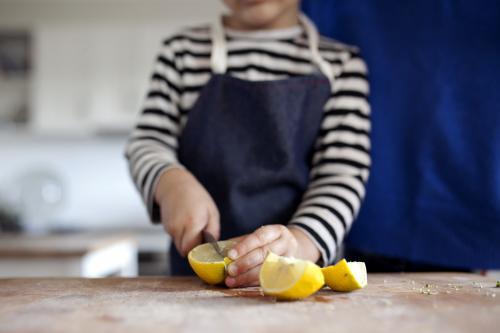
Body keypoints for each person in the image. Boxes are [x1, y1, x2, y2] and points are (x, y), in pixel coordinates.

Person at [125, 0, 371, 287]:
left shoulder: (340, 66)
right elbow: (147, 140)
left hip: (296, 283)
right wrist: (170, 184)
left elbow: (341, 175)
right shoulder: (181, 53)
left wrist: (301, 244)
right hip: (192, 284)